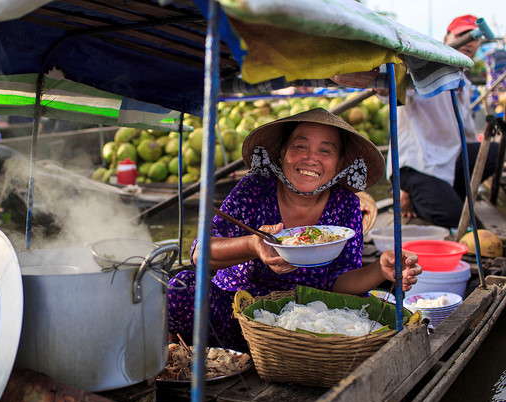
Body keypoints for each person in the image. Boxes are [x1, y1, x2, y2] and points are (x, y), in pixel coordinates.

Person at [167, 108, 421, 351]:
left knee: (369, 312)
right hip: (237, 319)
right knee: (182, 287)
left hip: (307, 327)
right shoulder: (255, 188)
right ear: (282, 153)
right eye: (300, 146)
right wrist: (253, 245)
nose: (311, 159)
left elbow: (341, 281)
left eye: (326, 150)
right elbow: (200, 254)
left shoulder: (345, 204)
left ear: (340, 163)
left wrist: (380, 269)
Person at [391, 14, 499, 229]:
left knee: (493, 153)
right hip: (418, 166)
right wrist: (383, 84)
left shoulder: (464, 82)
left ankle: (444, 195)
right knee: (466, 224)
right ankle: (417, 195)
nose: (469, 42)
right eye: (462, 35)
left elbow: (467, 132)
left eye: (474, 38)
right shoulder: (422, 68)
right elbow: (390, 92)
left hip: (451, 159)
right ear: (446, 38)